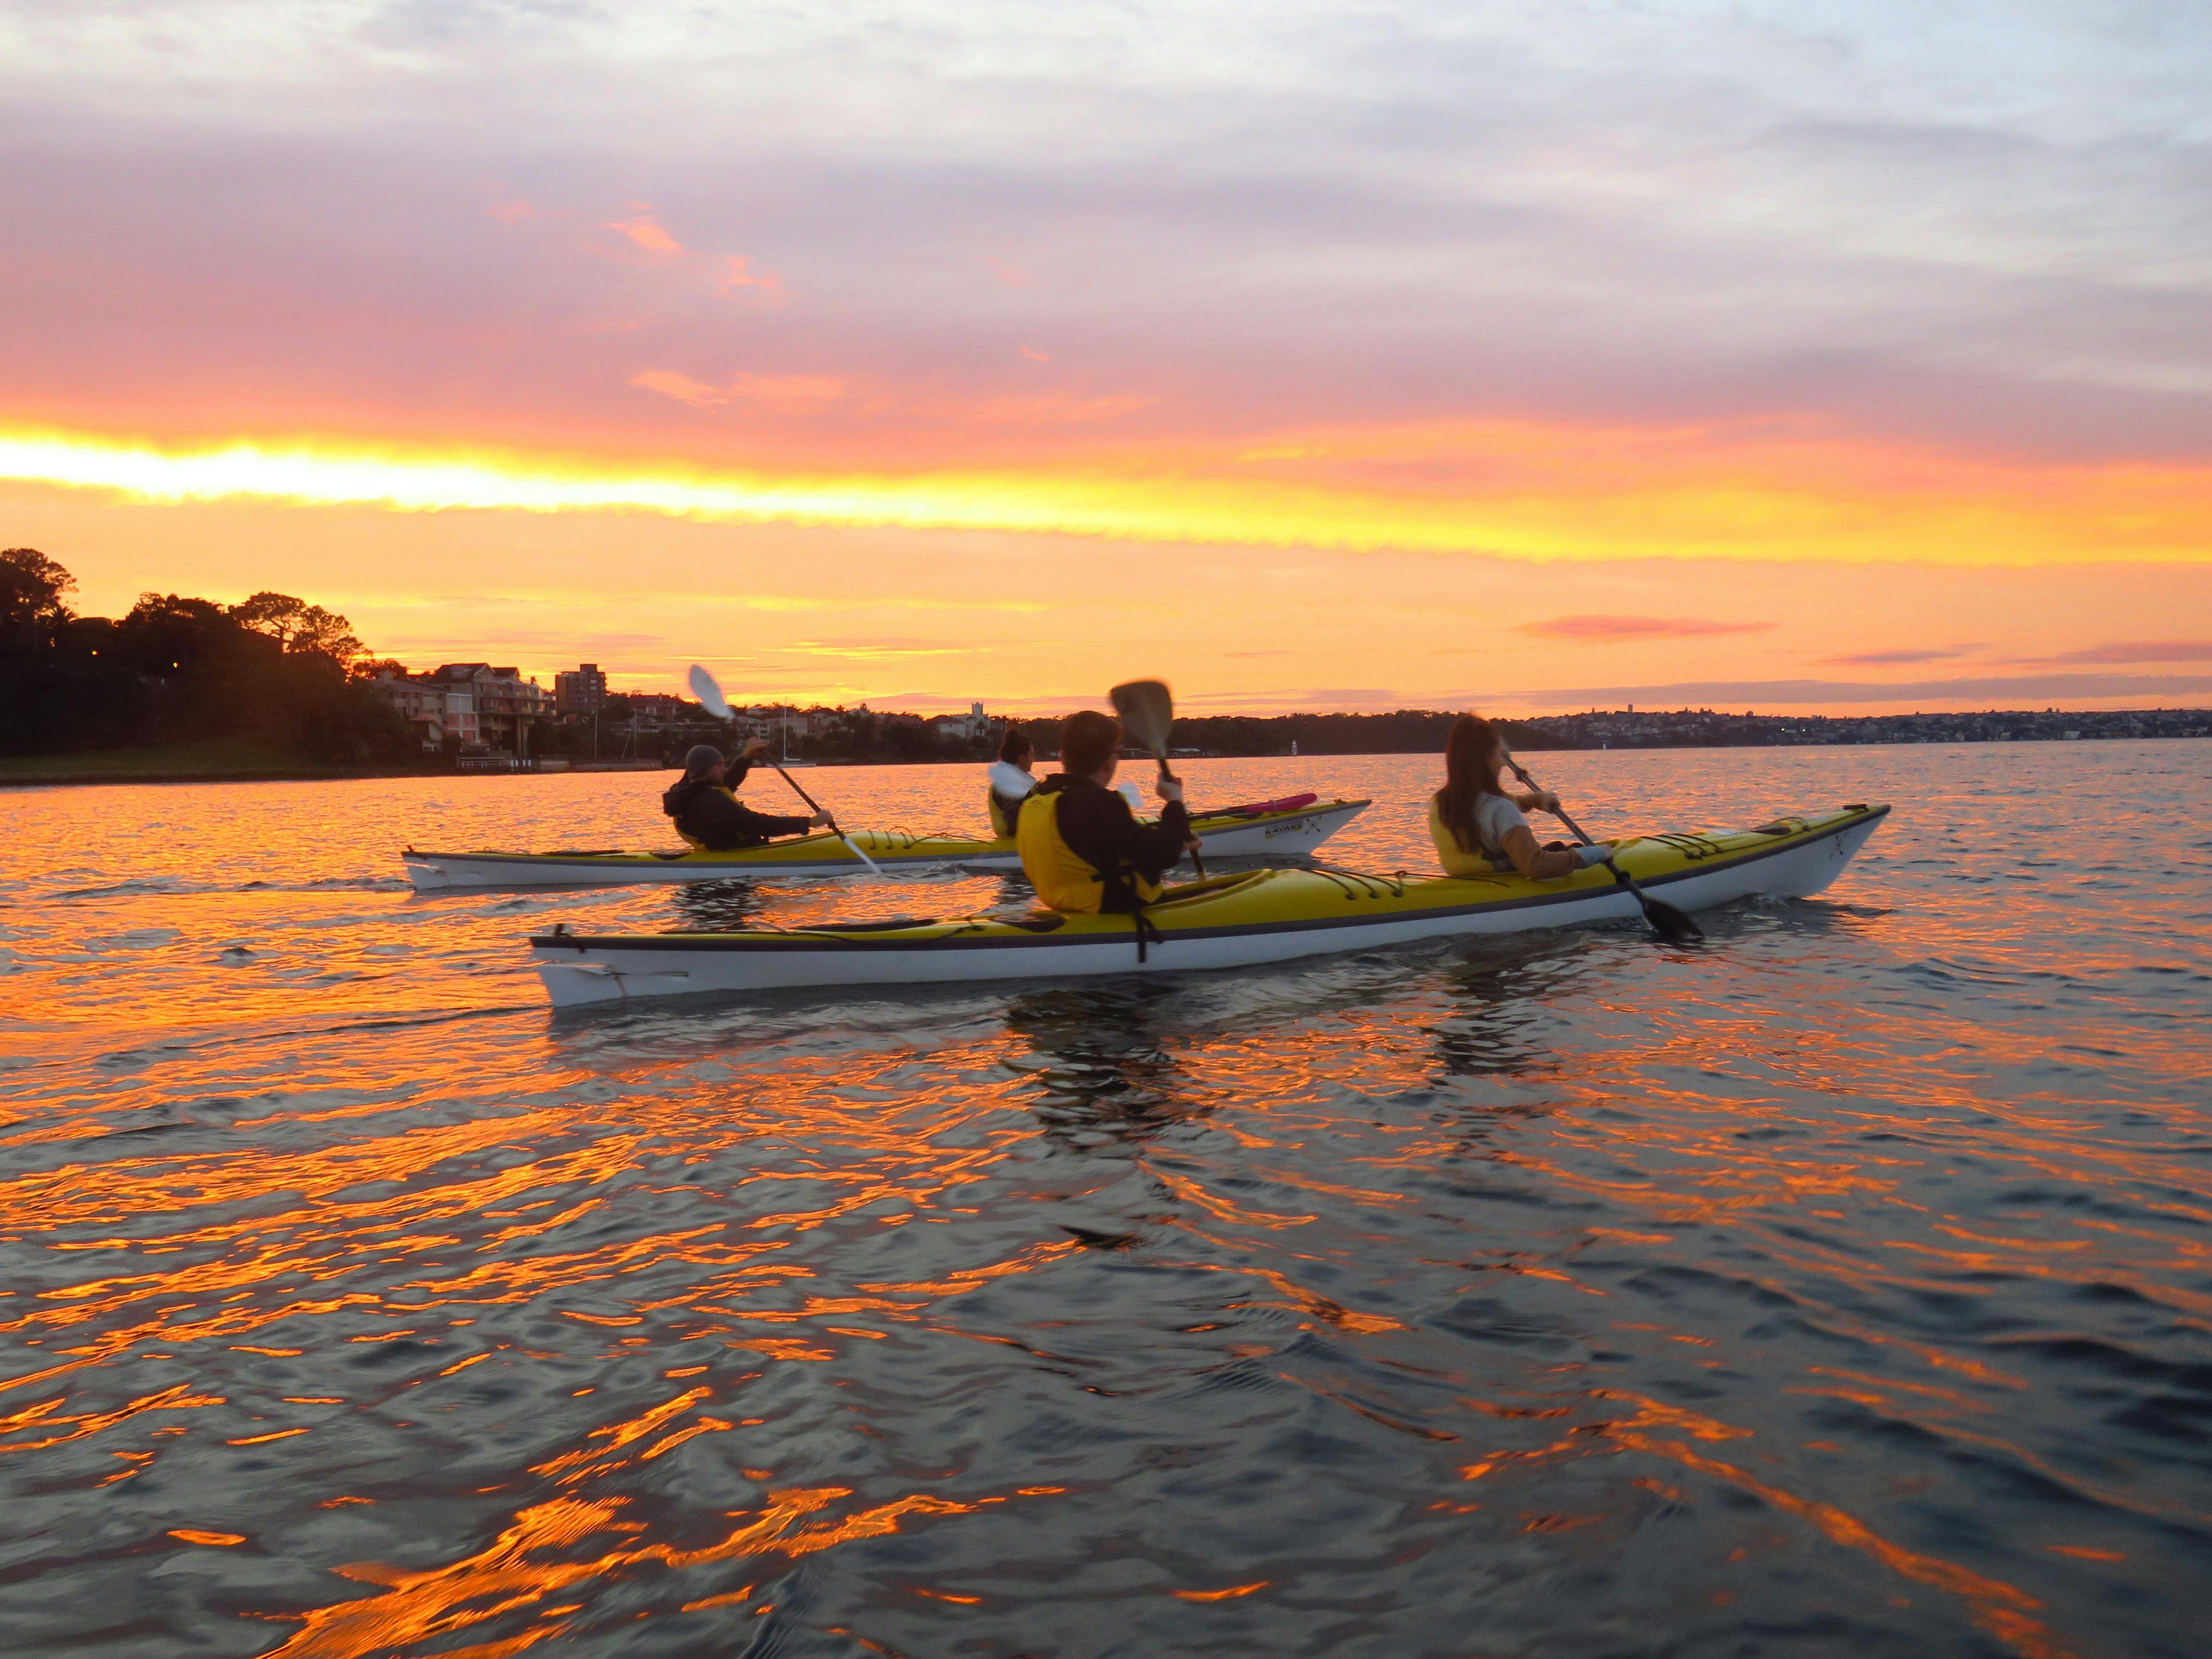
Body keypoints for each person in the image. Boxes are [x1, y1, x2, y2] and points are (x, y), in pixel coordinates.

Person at [1018, 709, 1199, 913]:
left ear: (1063, 756)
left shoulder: (1037, 797)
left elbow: (1101, 847)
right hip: (1116, 910)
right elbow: (1164, 855)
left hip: (1068, 908)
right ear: (1108, 761)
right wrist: (1174, 800)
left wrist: (1176, 836)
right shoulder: (1095, 804)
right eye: (1117, 752)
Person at [1430, 713, 1613, 879]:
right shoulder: (1501, 808)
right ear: (1489, 757)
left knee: (1558, 847)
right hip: (1502, 885)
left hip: (1467, 882)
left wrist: (1533, 800)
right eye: (1503, 756)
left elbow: (1486, 814)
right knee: (1576, 850)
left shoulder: (1441, 803)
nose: (1504, 764)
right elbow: (1535, 866)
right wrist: (1596, 854)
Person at [662, 742, 829, 851]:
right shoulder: (709, 802)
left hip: (721, 850)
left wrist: (747, 757)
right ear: (705, 769)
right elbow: (756, 824)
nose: (724, 768)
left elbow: (728, 782)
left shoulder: (689, 790)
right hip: (735, 855)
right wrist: (809, 822)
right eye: (719, 764)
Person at [986, 726, 1037, 840]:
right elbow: (1014, 825)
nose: (1033, 760)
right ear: (1021, 758)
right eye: (1031, 755)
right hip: (1017, 843)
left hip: (1009, 840)